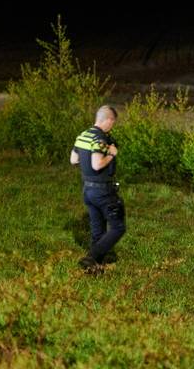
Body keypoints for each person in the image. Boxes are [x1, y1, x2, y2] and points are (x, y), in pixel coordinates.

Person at [70, 105, 126, 272]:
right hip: (103, 191)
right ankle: (92, 256)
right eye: (113, 122)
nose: (112, 126)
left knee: (98, 228)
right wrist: (111, 154)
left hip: (88, 190)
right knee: (118, 228)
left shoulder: (83, 136)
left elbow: (73, 160)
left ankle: (95, 266)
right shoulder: (100, 139)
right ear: (108, 120)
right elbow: (97, 164)